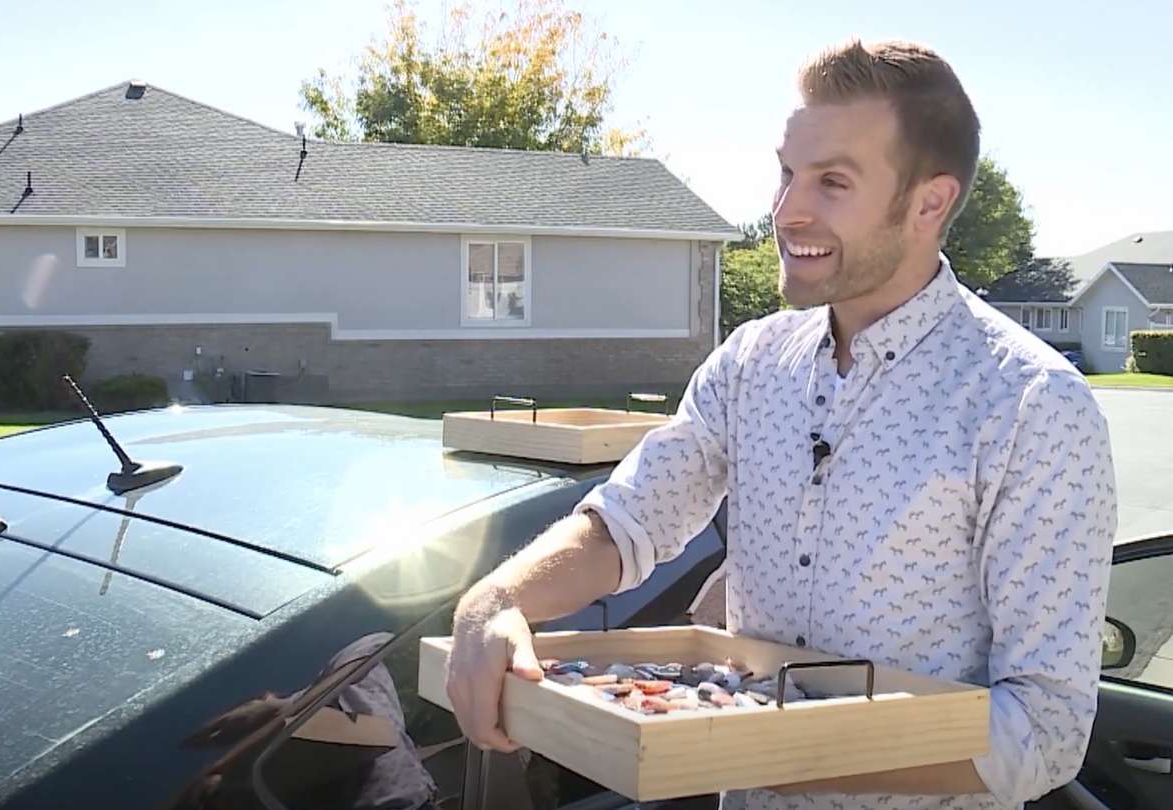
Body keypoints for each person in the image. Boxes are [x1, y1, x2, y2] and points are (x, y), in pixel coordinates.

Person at [445, 38, 1117, 810]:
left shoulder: (1031, 406)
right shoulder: (751, 363)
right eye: (788, 172)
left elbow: (1047, 727)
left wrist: (766, 748)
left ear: (930, 203)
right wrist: (494, 601)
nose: (786, 209)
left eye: (833, 182)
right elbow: (629, 522)